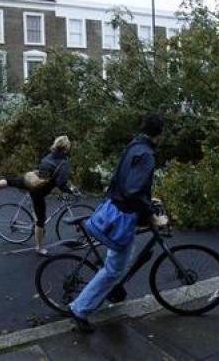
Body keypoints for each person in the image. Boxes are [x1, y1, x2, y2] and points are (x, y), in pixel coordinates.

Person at [69, 113, 167, 333]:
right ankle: (79, 309)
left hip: (115, 208)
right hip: (124, 215)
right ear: (159, 134)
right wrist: (149, 209)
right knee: (113, 270)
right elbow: (133, 190)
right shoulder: (147, 154)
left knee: (117, 263)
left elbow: (121, 181)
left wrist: (145, 199)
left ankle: (111, 291)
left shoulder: (134, 146)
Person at [0, 135, 75, 255]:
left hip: (30, 180)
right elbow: (61, 184)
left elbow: (44, 169)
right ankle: (39, 248)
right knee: (40, 222)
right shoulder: (63, 163)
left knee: (10, 181)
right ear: (66, 148)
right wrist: (70, 191)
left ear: (55, 145)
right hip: (38, 190)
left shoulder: (48, 156)